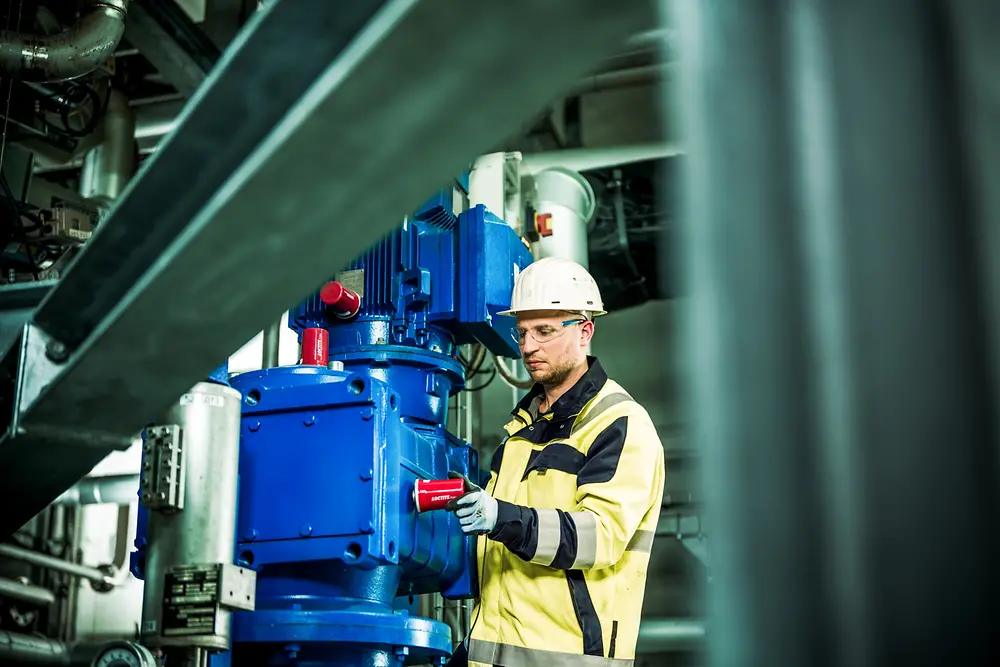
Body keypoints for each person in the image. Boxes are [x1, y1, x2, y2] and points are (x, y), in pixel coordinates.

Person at [445, 256, 666, 667]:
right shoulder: (520, 430)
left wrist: (500, 517)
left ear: (585, 332)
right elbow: (502, 551)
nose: (527, 347)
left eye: (544, 331)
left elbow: (599, 536)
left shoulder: (619, 422)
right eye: (523, 332)